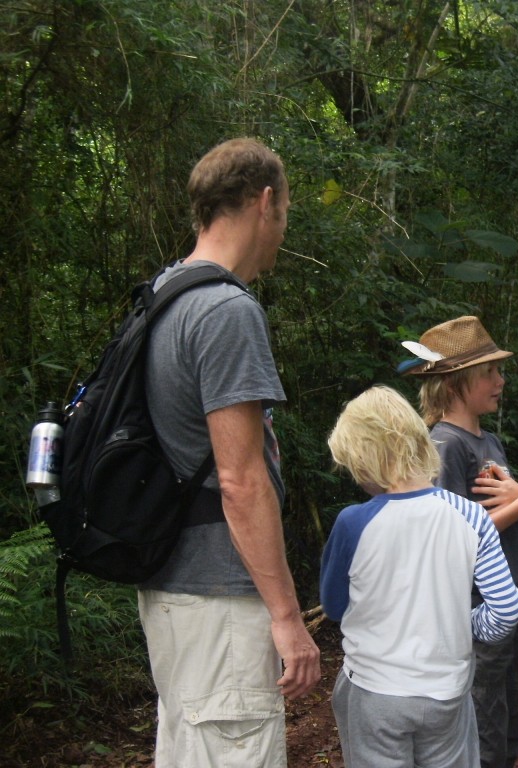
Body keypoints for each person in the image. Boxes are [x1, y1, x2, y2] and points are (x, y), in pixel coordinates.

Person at [137, 137, 321, 766]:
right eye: (287, 211)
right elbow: (240, 478)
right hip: (219, 592)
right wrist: (288, 616)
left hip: (171, 587)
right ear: (264, 202)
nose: (283, 227)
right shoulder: (225, 311)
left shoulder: (164, 295)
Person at [320, 385, 518, 768]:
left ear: (363, 456)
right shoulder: (471, 516)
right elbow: (507, 611)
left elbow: (333, 606)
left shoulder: (352, 523)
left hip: (373, 691)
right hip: (445, 692)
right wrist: (459, 623)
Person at [401, 315, 518, 768]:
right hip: (476, 612)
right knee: (482, 719)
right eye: (488, 372)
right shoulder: (445, 447)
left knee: (509, 712)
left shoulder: (490, 441)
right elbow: (449, 541)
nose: (499, 380)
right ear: (455, 384)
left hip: (511, 600)